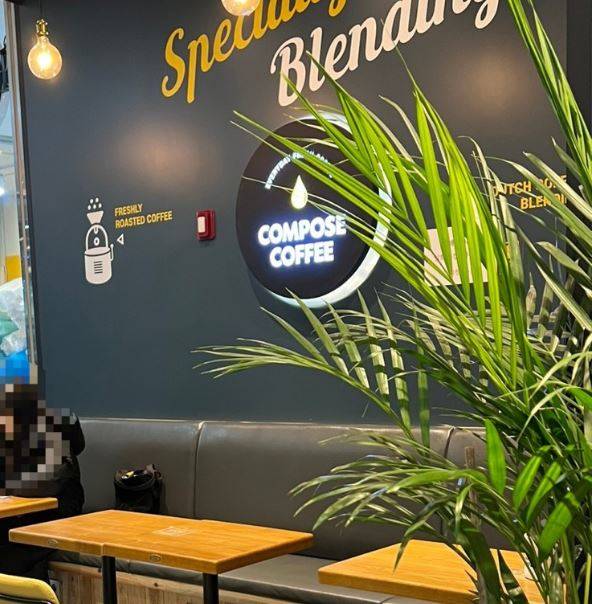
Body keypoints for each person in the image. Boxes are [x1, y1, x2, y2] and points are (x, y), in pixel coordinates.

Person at [0, 382, 85, 580]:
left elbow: (48, 484)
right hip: (21, 517)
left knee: (9, 552)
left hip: (56, 516)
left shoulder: (54, 433)